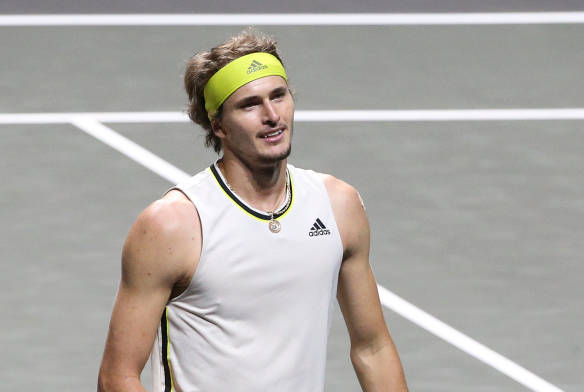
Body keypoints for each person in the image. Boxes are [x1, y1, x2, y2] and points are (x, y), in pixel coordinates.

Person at [97, 30, 409, 392]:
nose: (272, 115)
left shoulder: (338, 205)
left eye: (279, 96)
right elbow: (117, 377)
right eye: (249, 105)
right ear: (218, 126)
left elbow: (373, 348)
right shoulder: (173, 225)